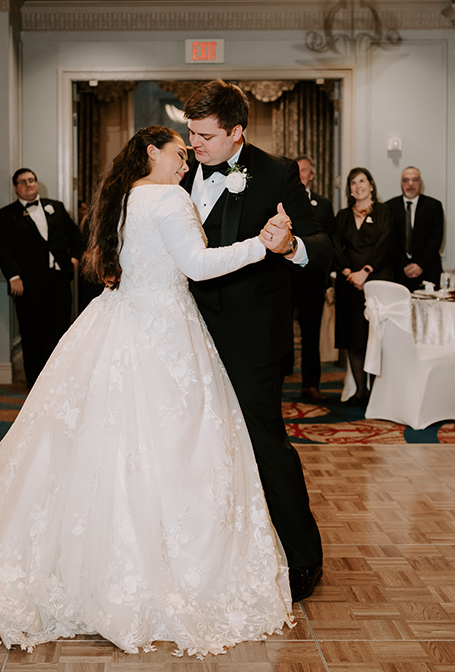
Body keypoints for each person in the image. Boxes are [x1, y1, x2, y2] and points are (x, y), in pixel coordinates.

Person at [0, 126, 293, 656]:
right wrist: (261, 246)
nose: (186, 162)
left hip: (118, 322)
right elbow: (198, 267)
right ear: (151, 152)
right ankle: (153, 575)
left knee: (99, 445)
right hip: (164, 332)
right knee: (170, 445)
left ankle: (85, 572)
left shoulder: (125, 197)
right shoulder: (169, 198)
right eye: (179, 153)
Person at [182, 79, 331, 602]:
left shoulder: (274, 173)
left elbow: (321, 242)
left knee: (264, 442)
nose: (193, 144)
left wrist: (290, 245)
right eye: (190, 132)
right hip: (184, 332)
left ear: (237, 132)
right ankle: (205, 553)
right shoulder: (176, 170)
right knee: (189, 444)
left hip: (250, 337)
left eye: (204, 135)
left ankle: (304, 556)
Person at [0, 169, 83, 388]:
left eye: (31, 180)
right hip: (27, 284)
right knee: (32, 334)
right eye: (22, 182)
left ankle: (58, 381)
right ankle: (35, 384)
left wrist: (74, 259)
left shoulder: (57, 207)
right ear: (16, 187)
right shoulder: (6, 215)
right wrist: (14, 276)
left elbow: (76, 237)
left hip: (59, 279)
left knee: (59, 330)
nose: (28, 185)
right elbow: (3, 249)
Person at [333, 167, 394, 407]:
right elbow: (335, 246)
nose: (357, 186)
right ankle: (360, 392)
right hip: (349, 284)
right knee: (354, 337)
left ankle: (379, 393)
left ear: (371, 184)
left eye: (361, 181)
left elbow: (386, 244)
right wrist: (349, 273)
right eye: (352, 183)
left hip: (377, 281)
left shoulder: (384, 212)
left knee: (376, 337)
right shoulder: (343, 215)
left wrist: (365, 272)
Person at [283, 156, 335, 402]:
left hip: (312, 279)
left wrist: (327, 280)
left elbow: (328, 243)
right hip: (284, 278)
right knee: (281, 332)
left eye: (303, 170)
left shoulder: (323, 204)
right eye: (297, 170)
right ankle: (280, 380)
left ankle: (311, 385)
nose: (300, 174)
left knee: (310, 333)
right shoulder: (280, 201)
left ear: (311, 175)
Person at [387, 166, 444, 291]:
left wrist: (420, 265)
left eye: (415, 180)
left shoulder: (434, 206)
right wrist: (404, 266)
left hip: (428, 271)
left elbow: (436, 239)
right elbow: (388, 241)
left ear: (421, 183)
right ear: (401, 183)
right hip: (398, 273)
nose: (410, 184)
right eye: (406, 180)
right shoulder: (388, 207)